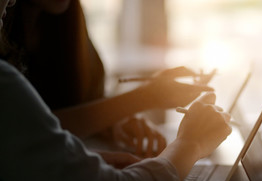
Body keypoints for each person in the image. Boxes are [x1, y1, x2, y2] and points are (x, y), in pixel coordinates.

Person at [0, 1, 232, 181]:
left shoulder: (67, 26)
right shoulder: (5, 82)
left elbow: (29, 138)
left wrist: (98, 141)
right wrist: (190, 144)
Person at [2, 0, 215, 158]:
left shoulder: (65, 20)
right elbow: (31, 133)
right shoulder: (5, 36)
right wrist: (144, 97)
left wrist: (112, 123)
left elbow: (83, 99)